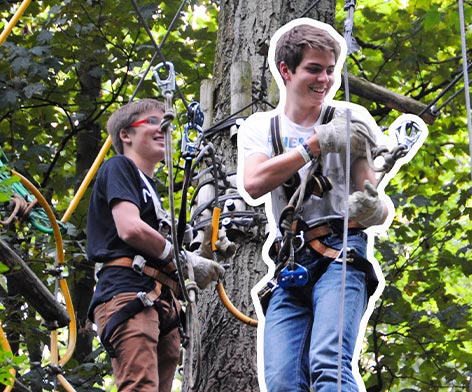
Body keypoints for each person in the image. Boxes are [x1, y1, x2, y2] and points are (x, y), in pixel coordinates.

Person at [237, 19, 392, 392]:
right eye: (314, 69)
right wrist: (316, 144)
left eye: (329, 70)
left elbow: (372, 195)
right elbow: (255, 182)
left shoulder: (349, 120)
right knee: (281, 382)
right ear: (286, 71)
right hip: (291, 262)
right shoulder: (262, 128)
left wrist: (375, 208)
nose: (325, 79)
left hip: (341, 249)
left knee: (328, 363)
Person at [86, 98, 225, 392]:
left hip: (160, 301)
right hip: (129, 292)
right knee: (141, 387)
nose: (163, 129)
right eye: (152, 122)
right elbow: (130, 228)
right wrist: (181, 258)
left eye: (166, 125)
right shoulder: (119, 167)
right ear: (126, 135)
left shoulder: (152, 194)